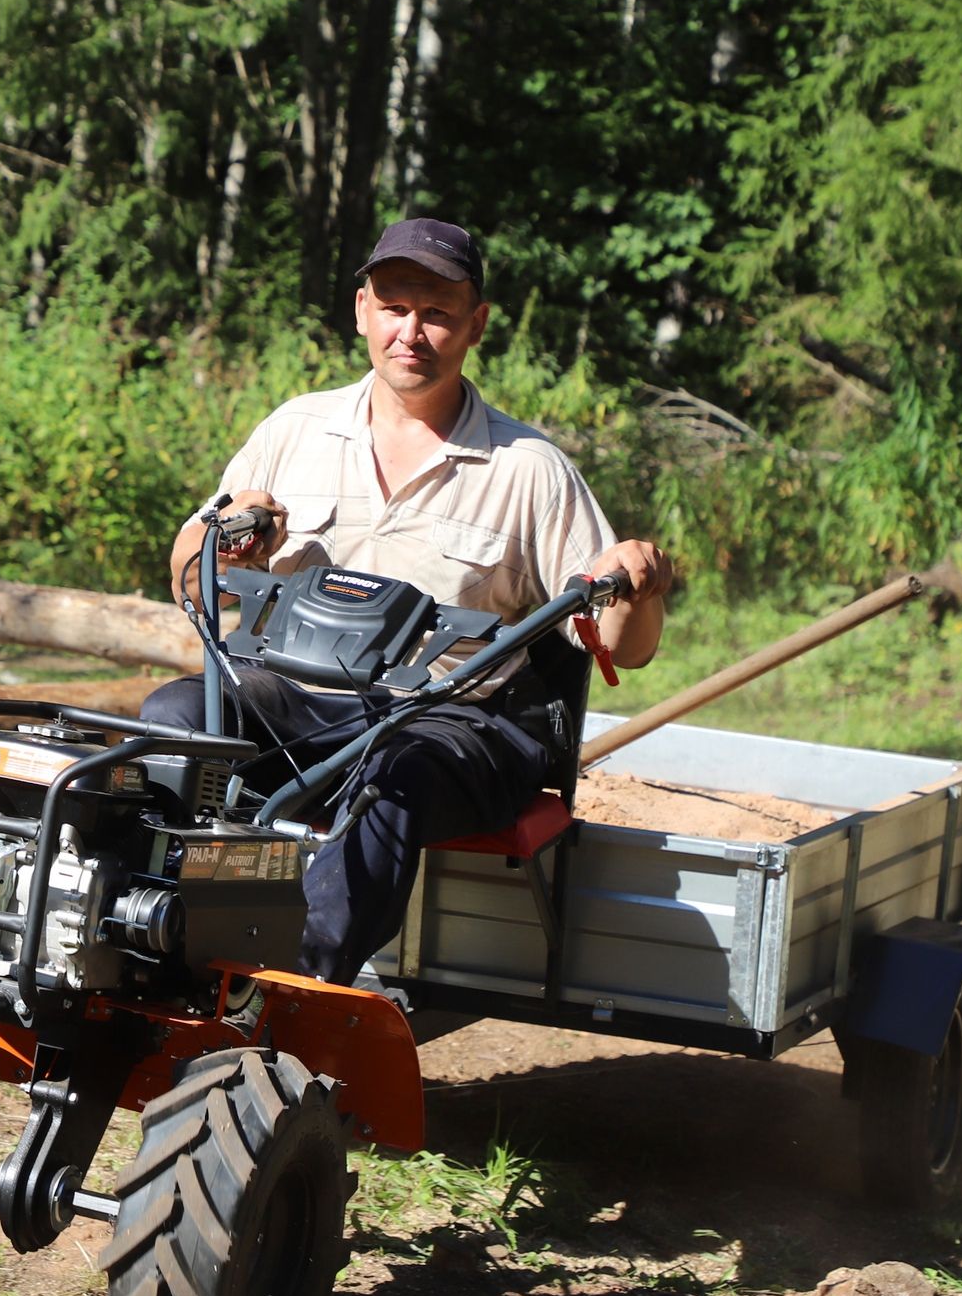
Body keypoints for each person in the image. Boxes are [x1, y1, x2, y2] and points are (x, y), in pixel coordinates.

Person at [145, 217, 671, 986]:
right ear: (362, 309)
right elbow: (188, 577)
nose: (411, 333)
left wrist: (638, 579)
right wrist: (224, 543)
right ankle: (155, 934)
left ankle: (293, 985)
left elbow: (626, 646)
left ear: (476, 324)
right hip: (295, 698)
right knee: (174, 720)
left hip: (455, 722)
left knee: (397, 770)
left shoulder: (529, 469)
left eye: (437, 313)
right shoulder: (296, 430)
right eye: (394, 308)